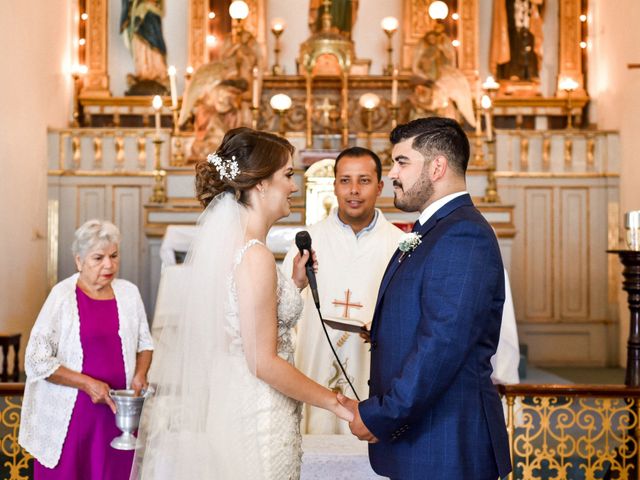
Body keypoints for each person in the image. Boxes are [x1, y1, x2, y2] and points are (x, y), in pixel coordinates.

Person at [132, 128, 353, 479]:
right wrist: (335, 402)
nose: (295, 186)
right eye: (288, 175)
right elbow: (262, 361)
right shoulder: (255, 256)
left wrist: (292, 285)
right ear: (261, 184)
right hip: (260, 415)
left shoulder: (232, 250)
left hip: (233, 403)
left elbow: (236, 331)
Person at [338, 117, 512, 479]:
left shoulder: (463, 234)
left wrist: (382, 415)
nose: (393, 174)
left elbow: (443, 346)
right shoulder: (435, 230)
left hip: (446, 443)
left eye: (402, 162)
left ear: (436, 167)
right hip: (425, 438)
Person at [19, 219, 154, 479]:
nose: (109, 264)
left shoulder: (129, 293)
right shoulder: (62, 296)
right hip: (72, 420)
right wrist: (87, 384)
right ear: (79, 261)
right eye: (98, 258)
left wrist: (140, 374)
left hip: (117, 418)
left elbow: (145, 343)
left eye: (114, 255)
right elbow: (36, 360)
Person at [282, 147, 404, 434]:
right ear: (334, 185)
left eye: (364, 181)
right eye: (345, 180)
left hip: (376, 368)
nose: (354, 191)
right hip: (313, 366)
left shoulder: (400, 244)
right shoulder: (308, 241)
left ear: (380, 186)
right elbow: (284, 308)